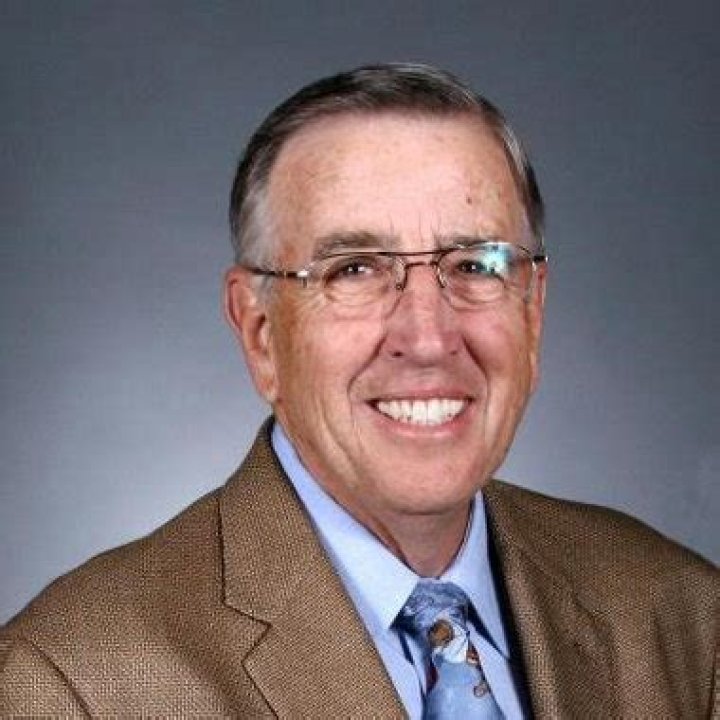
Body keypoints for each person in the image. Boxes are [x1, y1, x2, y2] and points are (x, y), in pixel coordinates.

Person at [0, 63, 717, 718]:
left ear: (532, 310)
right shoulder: (72, 682)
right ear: (259, 331)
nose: (428, 337)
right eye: (354, 270)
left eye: (474, 265)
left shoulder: (682, 616)